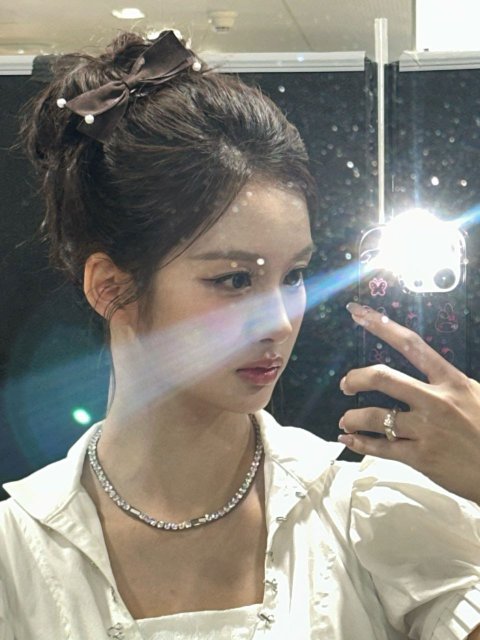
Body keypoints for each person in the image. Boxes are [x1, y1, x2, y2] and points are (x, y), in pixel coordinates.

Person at [0, 29, 479, 639]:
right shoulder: (18, 558)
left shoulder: (367, 517)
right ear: (111, 286)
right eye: (233, 280)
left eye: (293, 276)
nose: (279, 321)